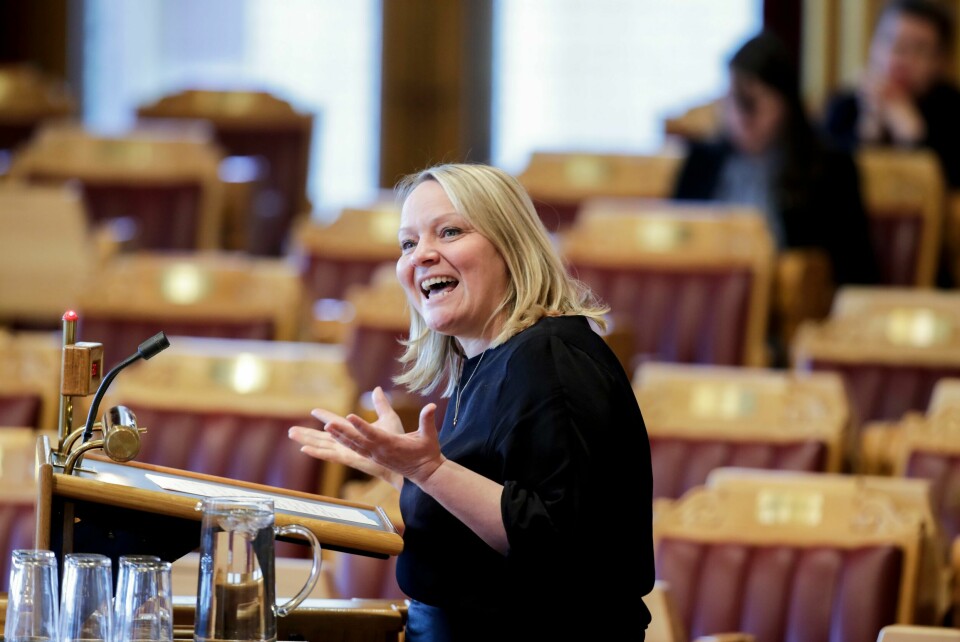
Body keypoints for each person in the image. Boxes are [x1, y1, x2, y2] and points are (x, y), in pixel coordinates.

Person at [289, 163, 654, 641]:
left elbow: (556, 543)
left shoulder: (548, 358)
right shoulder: (492, 361)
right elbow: (486, 515)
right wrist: (399, 469)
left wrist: (428, 471)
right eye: (408, 243)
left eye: (450, 232)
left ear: (511, 245)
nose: (422, 255)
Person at [674, 31, 880, 288]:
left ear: (786, 102)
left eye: (753, 103)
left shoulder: (829, 170)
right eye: (734, 101)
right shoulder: (701, 162)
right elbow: (676, 247)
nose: (743, 118)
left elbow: (856, 272)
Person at [823, 0, 960, 188]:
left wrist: (912, 133)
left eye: (918, 49)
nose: (900, 59)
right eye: (890, 41)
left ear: (940, 61)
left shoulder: (953, 109)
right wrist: (868, 131)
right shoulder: (844, 106)